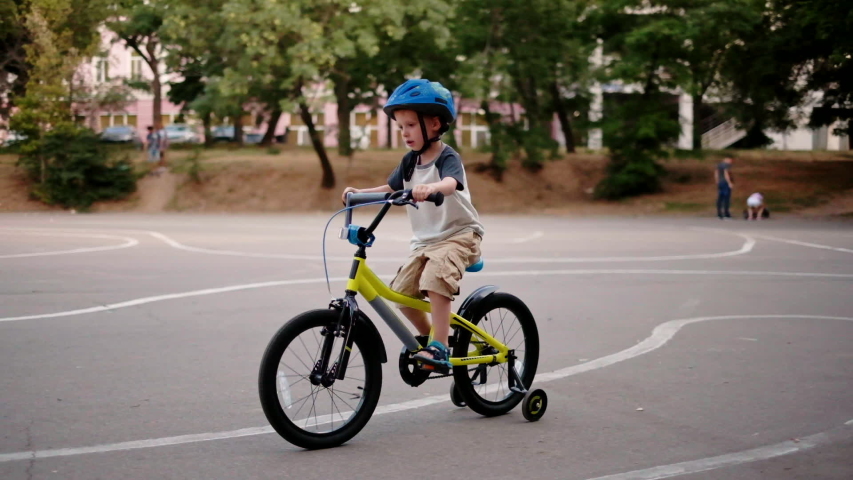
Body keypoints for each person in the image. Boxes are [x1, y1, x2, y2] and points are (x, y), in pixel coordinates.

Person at [340, 79, 484, 371]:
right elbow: (391, 187)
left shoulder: (447, 156)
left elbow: (450, 183)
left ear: (433, 124)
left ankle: (440, 347)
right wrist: (360, 194)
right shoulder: (409, 161)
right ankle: (427, 337)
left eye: (410, 125)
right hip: (426, 241)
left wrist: (431, 188)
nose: (404, 132)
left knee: (434, 280)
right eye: (400, 126)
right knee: (404, 296)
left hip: (458, 235)